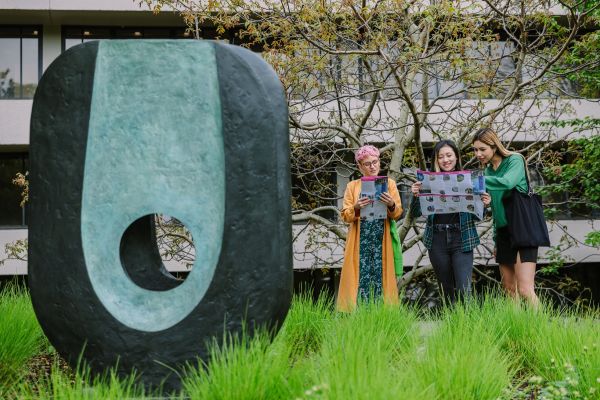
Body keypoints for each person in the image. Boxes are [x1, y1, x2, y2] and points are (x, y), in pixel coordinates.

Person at [409, 140, 490, 304]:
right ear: (436, 160)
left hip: (462, 237)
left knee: (463, 289)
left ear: (456, 156)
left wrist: (485, 204)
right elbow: (415, 213)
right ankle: (451, 328)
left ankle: (467, 327)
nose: (446, 160)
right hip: (437, 239)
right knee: (446, 289)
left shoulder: (469, 180)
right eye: (441, 157)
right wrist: (416, 196)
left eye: (449, 155)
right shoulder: (427, 181)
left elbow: (478, 216)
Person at [472, 127, 539, 306]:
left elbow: (508, 182)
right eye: (475, 149)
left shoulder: (514, 160)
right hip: (503, 233)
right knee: (509, 289)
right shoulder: (488, 171)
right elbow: (496, 209)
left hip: (523, 229)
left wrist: (476, 180)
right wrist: (495, 239)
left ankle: (544, 330)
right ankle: (516, 332)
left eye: (482, 149)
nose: (478, 154)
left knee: (525, 289)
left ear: (494, 146)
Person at [337, 145, 403, 312]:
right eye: (367, 164)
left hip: (382, 238)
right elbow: (345, 216)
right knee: (359, 281)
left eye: (375, 162)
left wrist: (391, 204)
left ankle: (382, 317)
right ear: (360, 167)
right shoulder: (353, 186)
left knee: (382, 280)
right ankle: (357, 318)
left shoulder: (390, 184)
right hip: (361, 240)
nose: (373, 166)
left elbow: (398, 214)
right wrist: (356, 207)